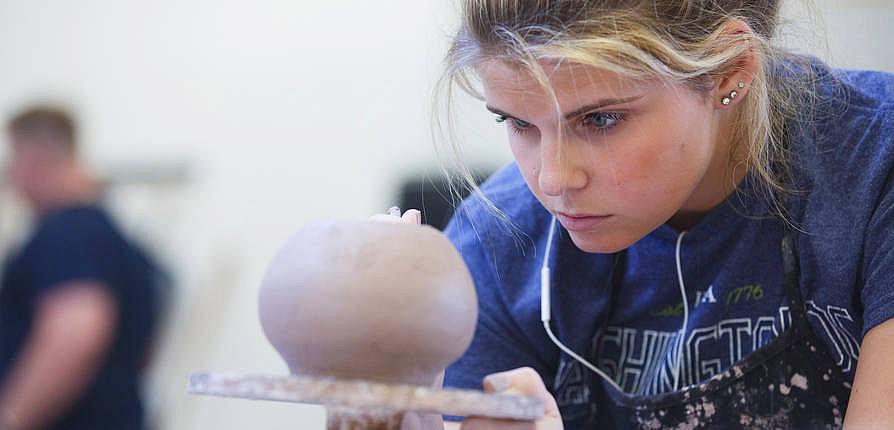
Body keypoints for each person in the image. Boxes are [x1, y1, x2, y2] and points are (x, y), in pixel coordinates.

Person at [425, 1, 894, 428]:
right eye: (519, 123)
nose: (553, 180)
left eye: (601, 119)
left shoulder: (875, 168)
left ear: (729, 70)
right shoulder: (495, 240)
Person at [0, 107, 165, 430]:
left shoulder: (70, 231)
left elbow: (76, 332)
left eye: (12, 163)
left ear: (32, 160)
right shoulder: (115, 240)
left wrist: (10, 419)